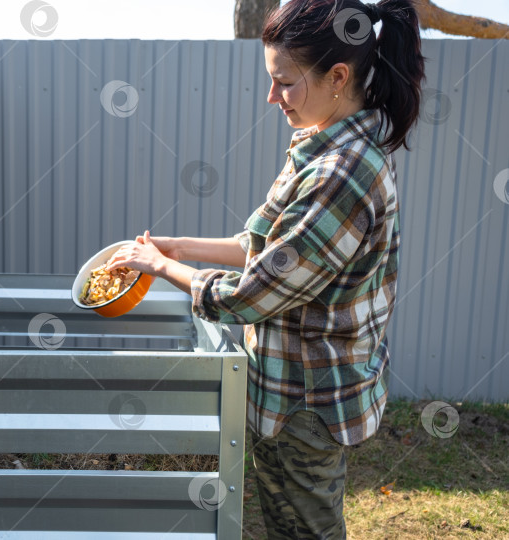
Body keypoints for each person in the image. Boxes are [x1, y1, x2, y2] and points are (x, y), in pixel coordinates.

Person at [106, 0, 425, 537]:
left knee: (305, 532)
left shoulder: (341, 174)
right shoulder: (322, 143)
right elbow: (264, 245)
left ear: (338, 76)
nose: (273, 96)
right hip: (287, 389)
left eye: (284, 82)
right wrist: (180, 247)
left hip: (308, 402)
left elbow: (249, 296)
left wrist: (160, 267)